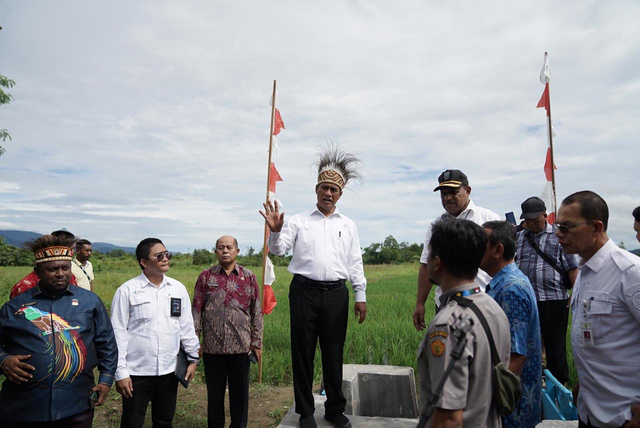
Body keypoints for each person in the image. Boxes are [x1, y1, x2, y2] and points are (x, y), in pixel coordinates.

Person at [260, 145, 366, 428]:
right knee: (303, 352)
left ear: (339, 194)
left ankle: (334, 409)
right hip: (304, 292)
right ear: (316, 189)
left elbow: (354, 261)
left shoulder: (349, 225)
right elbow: (280, 251)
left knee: (334, 352)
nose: (328, 193)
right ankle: (306, 413)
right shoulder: (297, 221)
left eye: (333, 189)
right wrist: (275, 230)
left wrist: (360, 294)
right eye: (324, 187)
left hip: (336, 294)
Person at [0, 234, 118, 427]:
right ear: (37, 272)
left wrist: (105, 380)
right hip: (24, 407)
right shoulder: (15, 307)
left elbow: (107, 343)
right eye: (52, 269)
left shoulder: (90, 302)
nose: (60, 274)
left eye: (65, 268)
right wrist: (3, 360)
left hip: (76, 405)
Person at [557, 191, 640, 427]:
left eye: (567, 227)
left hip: (622, 416)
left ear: (596, 227)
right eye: (558, 226)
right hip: (590, 411)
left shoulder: (630, 272)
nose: (558, 234)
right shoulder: (584, 272)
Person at [418, 217, 510, 428]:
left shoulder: (447, 324)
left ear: (437, 262)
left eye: (430, 253)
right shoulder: (493, 307)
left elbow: (448, 419)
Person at [110, 238, 200, 428]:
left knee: (164, 421)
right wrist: (121, 373)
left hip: (168, 371)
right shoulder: (127, 291)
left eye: (167, 254)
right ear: (144, 262)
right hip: (137, 373)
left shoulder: (177, 289)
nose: (166, 259)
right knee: (132, 422)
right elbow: (118, 334)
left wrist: (193, 359)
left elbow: (186, 327)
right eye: (159, 256)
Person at [414, 169, 501, 331]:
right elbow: (426, 265)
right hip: (446, 304)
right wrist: (420, 303)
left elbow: (506, 263)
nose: (447, 198)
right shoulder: (436, 226)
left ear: (468, 191)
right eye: (443, 194)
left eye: (453, 192)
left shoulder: (489, 219)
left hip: (484, 303)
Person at [192, 235, 263, 428]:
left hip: (240, 347)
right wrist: (194, 342)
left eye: (229, 247)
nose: (225, 251)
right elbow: (197, 309)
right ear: (215, 252)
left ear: (237, 251)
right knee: (214, 395)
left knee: (239, 395)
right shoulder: (206, 277)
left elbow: (256, 311)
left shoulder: (248, 277)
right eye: (221, 248)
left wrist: (257, 341)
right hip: (212, 349)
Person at [480, 220, 542, 428]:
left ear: (498, 250)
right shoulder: (505, 281)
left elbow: (515, 355)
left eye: (481, 244)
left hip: (512, 409)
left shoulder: (510, 289)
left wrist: (493, 402)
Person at [515, 196, 578, 385]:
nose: (531, 223)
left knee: (555, 347)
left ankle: (559, 387)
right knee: (527, 344)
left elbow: (572, 267)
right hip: (527, 300)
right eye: (527, 220)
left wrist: (575, 292)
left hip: (554, 299)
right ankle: (533, 383)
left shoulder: (559, 236)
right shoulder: (520, 237)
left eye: (535, 218)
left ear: (545, 216)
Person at [10, 228, 78, 299]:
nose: (60, 274)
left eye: (71, 248)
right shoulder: (24, 286)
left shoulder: (71, 278)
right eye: (52, 269)